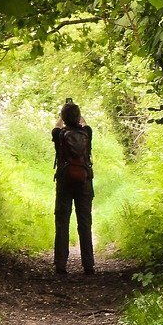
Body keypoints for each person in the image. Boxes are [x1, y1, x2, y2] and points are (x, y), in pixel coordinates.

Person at [52, 100, 95, 276]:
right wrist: (77, 114)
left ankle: (60, 264)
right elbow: (84, 123)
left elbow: (57, 125)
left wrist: (62, 115)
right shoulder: (87, 132)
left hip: (65, 180)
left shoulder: (59, 134)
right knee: (85, 223)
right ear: (78, 117)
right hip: (84, 180)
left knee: (62, 222)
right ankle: (89, 265)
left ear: (63, 117)